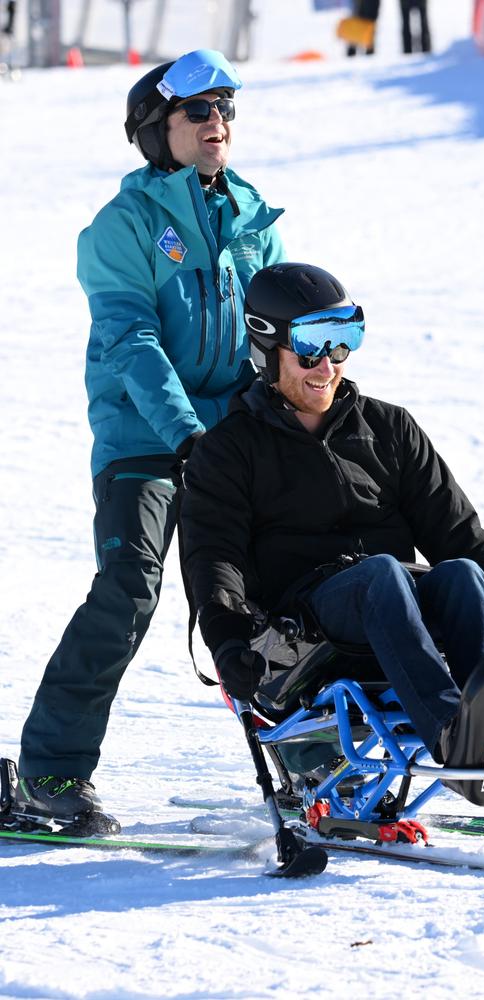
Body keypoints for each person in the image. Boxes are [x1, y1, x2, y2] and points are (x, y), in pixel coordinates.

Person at [16, 50, 286, 823]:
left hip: (226, 438)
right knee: (130, 584)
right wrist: (189, 437)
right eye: (198, 111)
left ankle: (316, 758)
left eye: (225, 109)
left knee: (284, 574)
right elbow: (132, 339)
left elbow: (268, 339)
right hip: (144, 437)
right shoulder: (123, 226)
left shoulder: (249, 211)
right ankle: (52, 773)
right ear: (155, 130)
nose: (217, 124)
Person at [181, 263, 484, 763]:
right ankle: (455, 732)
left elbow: (459, 535)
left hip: (393, 604)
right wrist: (229, 640)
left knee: (463, 576)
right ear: (266, 349)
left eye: (341, 341)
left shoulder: (390, 428)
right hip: (299, 632)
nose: (327, 366)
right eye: (310, 347)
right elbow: (214, 557)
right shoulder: (229, 451)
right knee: (379, 574)